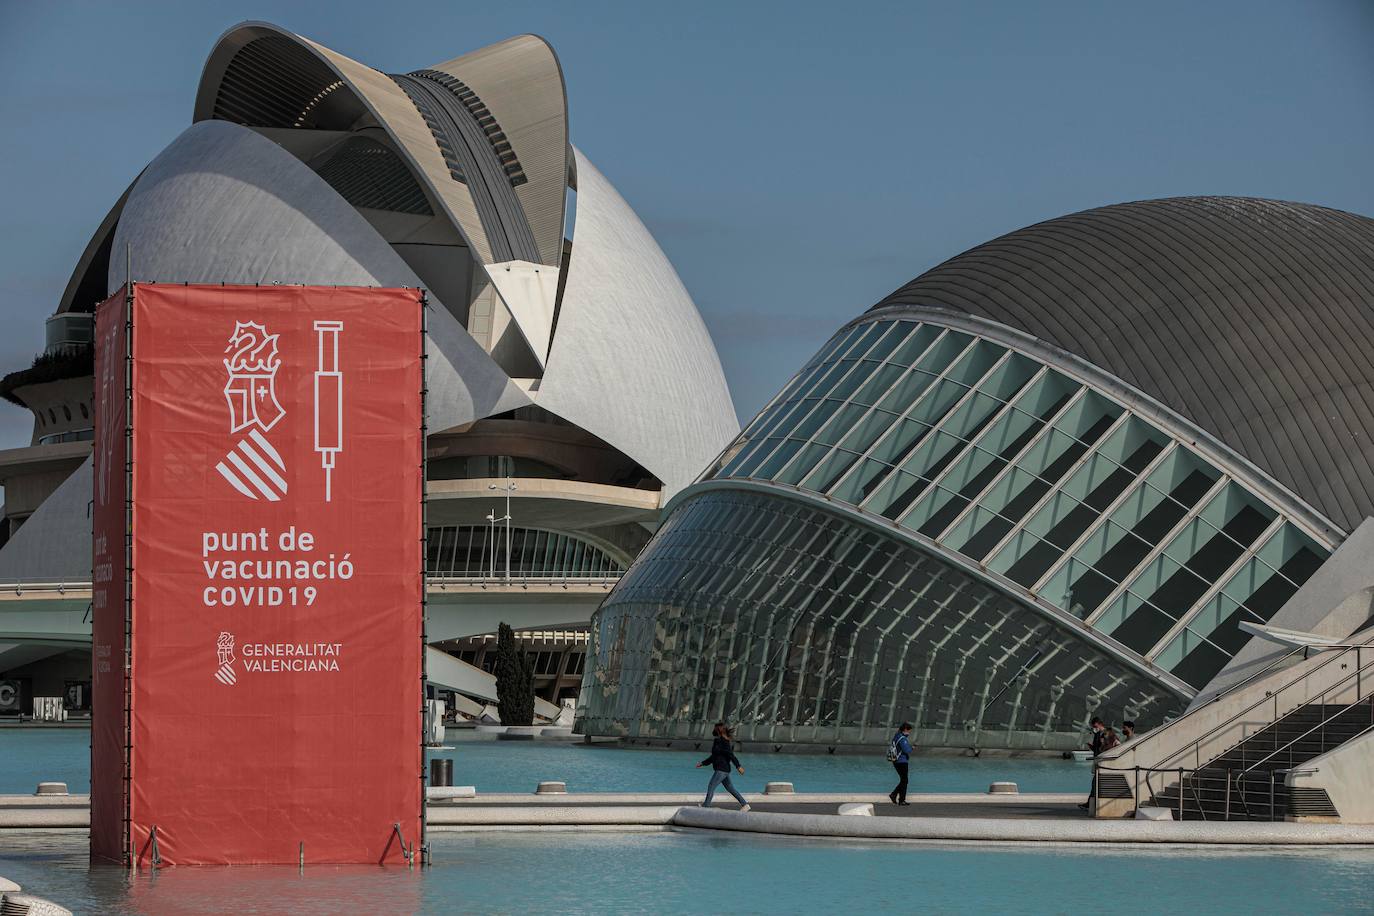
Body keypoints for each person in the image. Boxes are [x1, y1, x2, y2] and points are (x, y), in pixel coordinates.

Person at [696, 724, 750, 810]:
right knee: (730, 788)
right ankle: (745, 805)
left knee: (711, 785)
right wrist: (703, 763)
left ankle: (705, 806)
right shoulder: (718, 741)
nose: (713, 730)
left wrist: (738, 766)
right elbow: (714, 757)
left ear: (718, 730)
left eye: (714, 728)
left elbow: (730, 755)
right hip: (723, 769)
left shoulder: (723, 742)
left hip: (722, 769)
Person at [888, 722, 914, 806]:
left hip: (896, 761)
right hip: (902, 761)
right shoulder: (902, 738)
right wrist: (912, 748)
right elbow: (907, 750)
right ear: (905, 729)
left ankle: (896, 796)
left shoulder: (896, 736)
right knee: (905, 780)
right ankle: (899, 798)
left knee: (904, 780)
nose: (909, 733)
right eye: (909, 731)